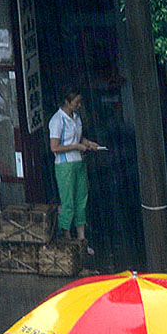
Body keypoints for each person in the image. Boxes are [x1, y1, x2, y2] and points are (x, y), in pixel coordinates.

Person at [48, 90, 101, 247]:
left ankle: (81, 237)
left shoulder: (76, 117)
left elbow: (79, 137)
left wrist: (88, 143)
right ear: (66, 101)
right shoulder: (57, 120)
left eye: (79, 102)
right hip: (65, 165)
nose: (78, 105)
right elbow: (54, 147)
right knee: (68, 201)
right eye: (76, 102)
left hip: (79, 162)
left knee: (81, 198)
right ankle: (66, 235)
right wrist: (76, 146)